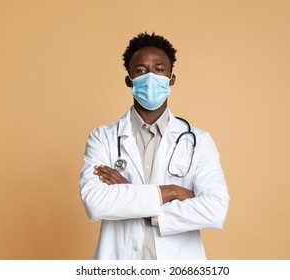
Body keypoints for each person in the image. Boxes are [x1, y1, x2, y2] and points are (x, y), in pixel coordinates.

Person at [80, 32, 229, 260]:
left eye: (159, 70)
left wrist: (132, 197)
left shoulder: (198, 141)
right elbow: (96, 203)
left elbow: (215, 211)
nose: (151, 77)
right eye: (141, 70)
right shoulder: (103, 138)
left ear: (172, 79)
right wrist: (172, 192)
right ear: (129, 80)